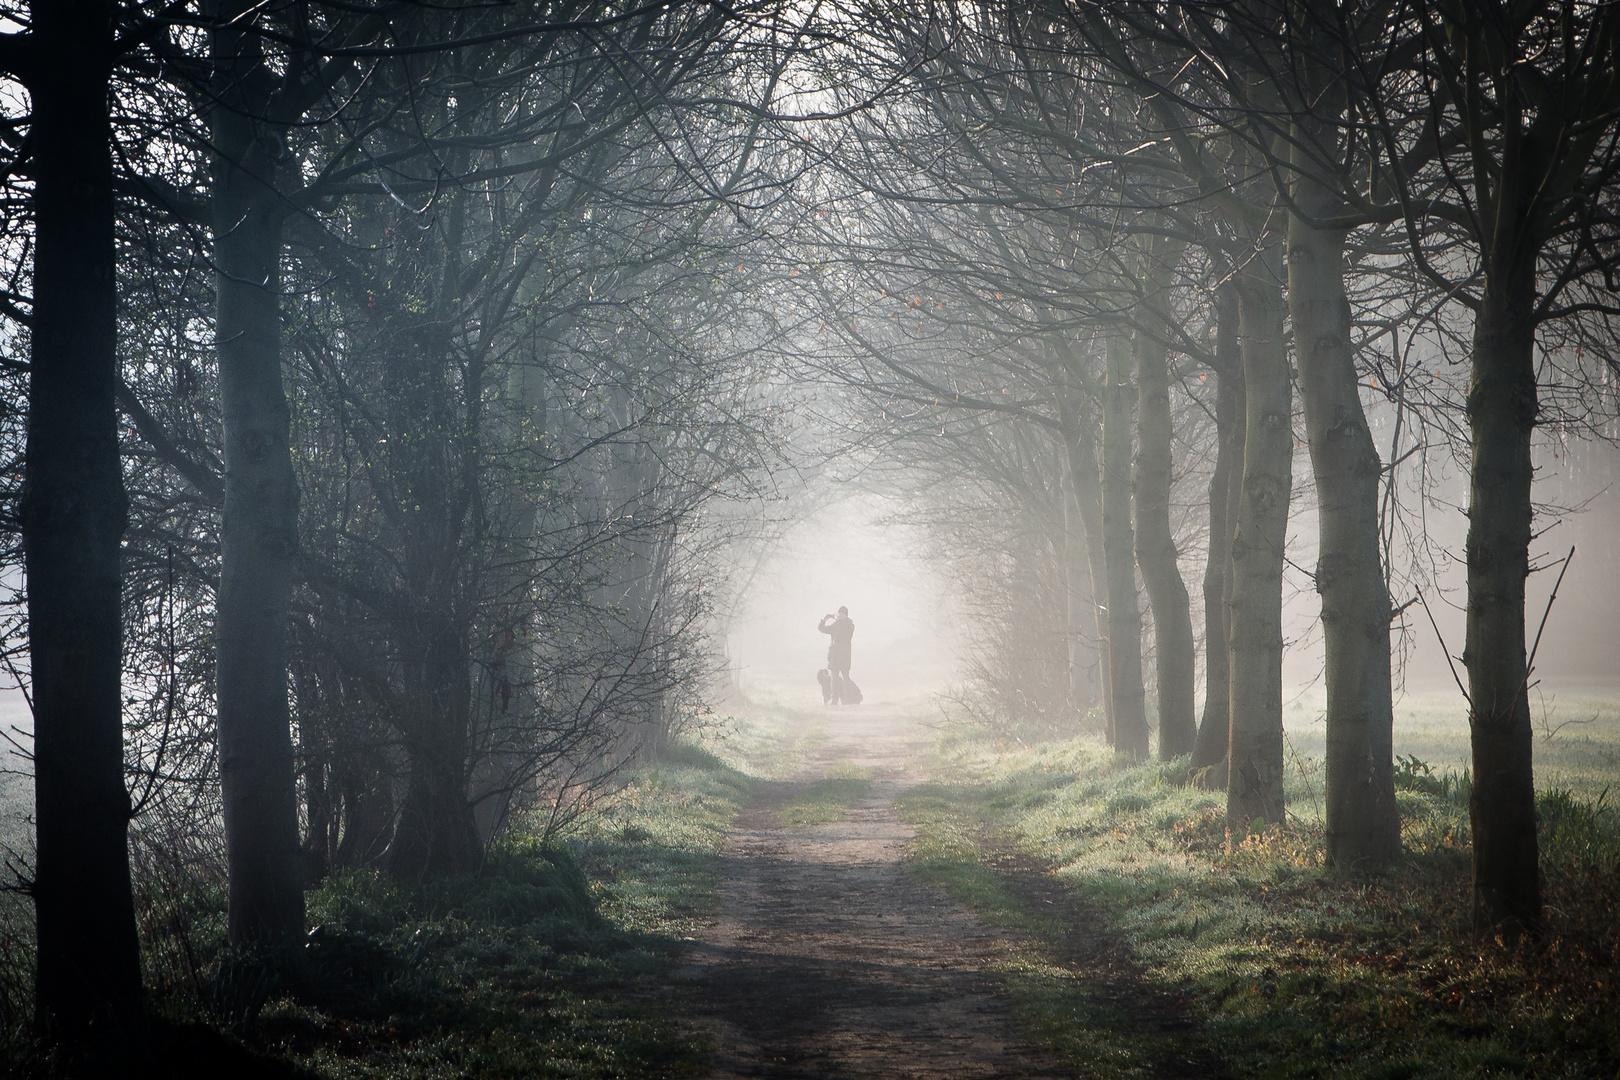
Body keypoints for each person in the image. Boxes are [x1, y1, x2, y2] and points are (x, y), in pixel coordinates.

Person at [818, 607, 854, 704]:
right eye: (839, 614)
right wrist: (824, 620)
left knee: (845, 678)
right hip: (835, 656)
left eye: (842, 614)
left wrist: (836, 621)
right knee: (834, 678)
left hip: (844, 656)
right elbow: (822, 629)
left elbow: (843, 632)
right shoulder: (836, 625)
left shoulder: (849, 625)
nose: (840, 616)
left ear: (846, 615)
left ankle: (847, 699)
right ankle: (834, 699)